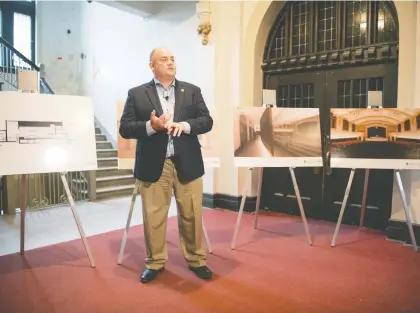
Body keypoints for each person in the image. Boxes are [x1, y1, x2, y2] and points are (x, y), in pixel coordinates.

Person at [119, 47, 213, 283]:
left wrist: (186, 125)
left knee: (192, 214)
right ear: (152, 65)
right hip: (153, 164)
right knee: (154, 216)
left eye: (172, 58)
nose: (170, 62)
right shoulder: (137, 93)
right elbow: (125, 127)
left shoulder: (191, 91)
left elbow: (206, 120)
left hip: (188, 162)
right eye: (164, 59)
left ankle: (196, 260)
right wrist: (152, 127)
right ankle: (155, 262)